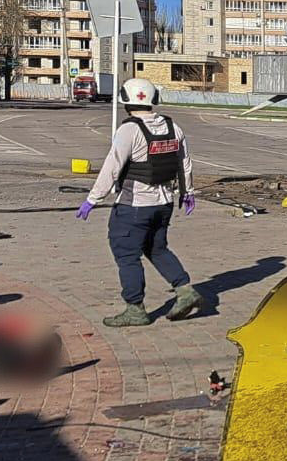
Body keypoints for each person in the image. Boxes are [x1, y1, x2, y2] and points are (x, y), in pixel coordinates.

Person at [76, 79, 202, 326]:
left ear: (125, 102)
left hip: (134, 206)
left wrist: (92, 199)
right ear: (152, 100)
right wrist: (188, 193)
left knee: (126, 254)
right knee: (157, 248)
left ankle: (135, 309)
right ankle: (185, 291)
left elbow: (112, 167)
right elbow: (185, 163)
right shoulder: (173, 127)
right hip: (164, 203)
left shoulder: (129, 130)